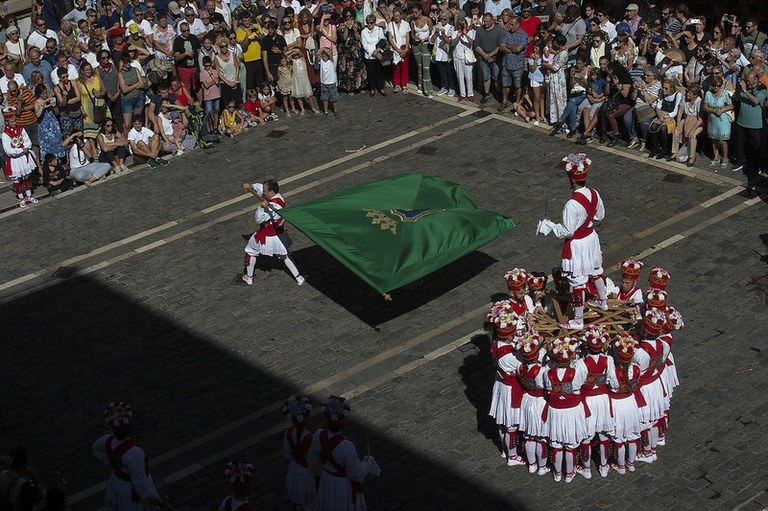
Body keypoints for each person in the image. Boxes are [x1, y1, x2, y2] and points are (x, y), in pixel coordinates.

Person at [537, 153, 607, 329]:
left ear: (571, 179)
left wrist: (551, 226)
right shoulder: (594, 193)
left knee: (578, 281)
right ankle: (603, 301)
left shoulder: (571, 204)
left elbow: (567, 232)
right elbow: (600, 215)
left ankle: (578, 319)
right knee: (596, 270)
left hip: (578, 244)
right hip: (591, 238)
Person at [92, 402, 163, 510]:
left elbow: (96, 449)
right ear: (130, 428)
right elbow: (139, 479)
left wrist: (112, 462)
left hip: (117, 483)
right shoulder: (134, 453)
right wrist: (150, 496)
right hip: (129, 489)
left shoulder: (107, 440)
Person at [308, 396, 371, 511]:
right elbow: (356, 475)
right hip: (341, 485)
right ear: (342, 421)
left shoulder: (318, 434)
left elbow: (313, 462)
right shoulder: (347, 446)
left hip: (325, 480)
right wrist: (367, 464)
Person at [241, 179, 305, 286]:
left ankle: (249, 277)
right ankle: (299, 277)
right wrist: (250, 186)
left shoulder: (274, 206)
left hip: (268, 236)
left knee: (250, 251)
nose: (263, 192)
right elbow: (260, 187)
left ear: (271, 192)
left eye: (265, 191)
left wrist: (262, 207)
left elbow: (258, 219)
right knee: (285, 256)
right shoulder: (277, 196)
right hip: (279, 233)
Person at [542, 336, 588, 483]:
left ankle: (557, 473)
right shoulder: (577, 373)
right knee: (570, 444)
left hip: (555, 411)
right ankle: (569, 473)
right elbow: (581, 384)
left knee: (556, 444)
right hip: (572, 410)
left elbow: (547, 387)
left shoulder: (547, 374)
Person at [486, 305, 526, 466]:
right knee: (510, 425)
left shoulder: (496, 343)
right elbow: (524, 364)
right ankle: (512, 456)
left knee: (503, 424)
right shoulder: (508, 356)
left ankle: (505, 450)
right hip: (510, 390)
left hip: (501, 385)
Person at [579, 325, 613, 479]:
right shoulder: (609, 360)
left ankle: (586, 468)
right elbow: (612, 380)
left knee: (587, 436)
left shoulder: (581, 363)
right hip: (603, 399)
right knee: (604, 435)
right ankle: (604, 466)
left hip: (588, 400)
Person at [607, 333, 643, 475]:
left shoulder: (612, 371)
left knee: (619, 438)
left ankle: (620, 465)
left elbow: (609, 385)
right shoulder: (636, 369)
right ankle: (631, 463)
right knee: (632, 435)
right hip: (630, 403)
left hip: (617, 405)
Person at [516, 333, 549, 474]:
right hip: (539, 402)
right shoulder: (542, 371)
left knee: (529, 436)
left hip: (526, 400)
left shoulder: (520, 367)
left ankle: (532, 464)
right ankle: (542, 467)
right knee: (540, 436)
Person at [282, 396, 317, 510]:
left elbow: (287, 453)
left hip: (294, 468)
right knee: (309, 503)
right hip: (306, 473)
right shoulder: (310, 439)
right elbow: (314, 462)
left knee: (298, 500)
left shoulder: (289, 433)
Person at [2, 107, 38, 208]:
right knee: (17, 179)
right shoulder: (5, 134)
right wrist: (21, 150)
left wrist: (26, 148)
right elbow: (8, 151)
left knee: (26, 177)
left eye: (15, 121)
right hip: (15, 160)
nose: (14, 123)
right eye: (12, 121)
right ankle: (21, 197)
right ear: (7, 122)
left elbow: (28, 141)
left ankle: (29, 195)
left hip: (23, 158)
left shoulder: (20, 129)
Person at [702, 75, 733, 170]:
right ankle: (716, 156)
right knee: (714, 138)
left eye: (718, 85)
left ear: (721, 85)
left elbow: (731, 106)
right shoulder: (708, 93)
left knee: (722, 140)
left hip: (723, 120)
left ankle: (725, 158)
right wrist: (714, 111)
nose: (716, 87)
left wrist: (722, 109)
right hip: (712, 119)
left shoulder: (724, 93)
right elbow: (705, 107)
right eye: (714, 85)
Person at [498, 14, 526, 111]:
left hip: (517, 65)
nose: (510, 26)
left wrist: (508, 46)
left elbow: (518, 49)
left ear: (518, 24)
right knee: (505, 84)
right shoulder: (507, 33)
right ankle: (504, 101)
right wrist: (511, 49)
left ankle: (517, 102)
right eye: (510, 24)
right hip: (506, 63)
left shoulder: (523, 35)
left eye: (512, 24)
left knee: (517, 85)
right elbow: (501, 46)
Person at [473, 13, 502, 103]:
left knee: (496, 77)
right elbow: (476, 45)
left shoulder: (498, 30)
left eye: (487, 22)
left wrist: (490, 55)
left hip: (495, 58)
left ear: (492, 21)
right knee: (486, 76)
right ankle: (486, 93)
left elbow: (500, 46)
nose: (485, 23)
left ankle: (498, 92)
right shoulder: (480, 30)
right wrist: (485, 55)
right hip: (483, 58)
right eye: (484, 21)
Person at [361, 14, 386, 97]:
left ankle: (381, 87)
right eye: (368, 23)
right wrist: (373, 53)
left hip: (378, 53)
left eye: (371, 23)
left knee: (380, 72)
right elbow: (365, 45)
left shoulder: (379, 30)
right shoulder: (364, 32)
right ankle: (372, 88)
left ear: (374, 22)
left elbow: (382, 41)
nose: (369, 25)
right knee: (371, 73)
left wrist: (377, 51)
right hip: (369, 56)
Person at [387, 7, 410, 94]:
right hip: (395, 49)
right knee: (396, 67)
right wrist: (397, 49)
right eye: (395, 16)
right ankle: (396, 84)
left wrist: (406, 48)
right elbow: (390, 38)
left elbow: (407, 37)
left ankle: (404, 85)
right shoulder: (390, 25)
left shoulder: (406, 24)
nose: (396, 17)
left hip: (404, 47)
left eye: (398, 16)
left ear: (401, 16)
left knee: (404, 67)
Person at [452, 17, 475, 102]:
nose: (461, 27)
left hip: (467, 57)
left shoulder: (471, 32)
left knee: (468, 76)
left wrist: (465, 34)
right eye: (459, 25)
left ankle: (470, 93)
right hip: (458, 57)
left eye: (463, 24)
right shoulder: (455, 33)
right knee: (460, 76)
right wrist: (458, 36)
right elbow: (453, 43)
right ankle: (462, 93)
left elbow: (472, 42)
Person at [318, 47, 339, 119]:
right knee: (325, 99)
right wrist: (323, 49)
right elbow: (318, 53)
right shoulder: (321, 61)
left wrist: (327, 50)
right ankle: (325, 111)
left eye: (325, 57)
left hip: (331, 83)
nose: (324, 58)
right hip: (324, 83)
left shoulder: (331, 62)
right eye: (323, 57)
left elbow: (330, 54)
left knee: (334, 99)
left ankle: (336, 111)